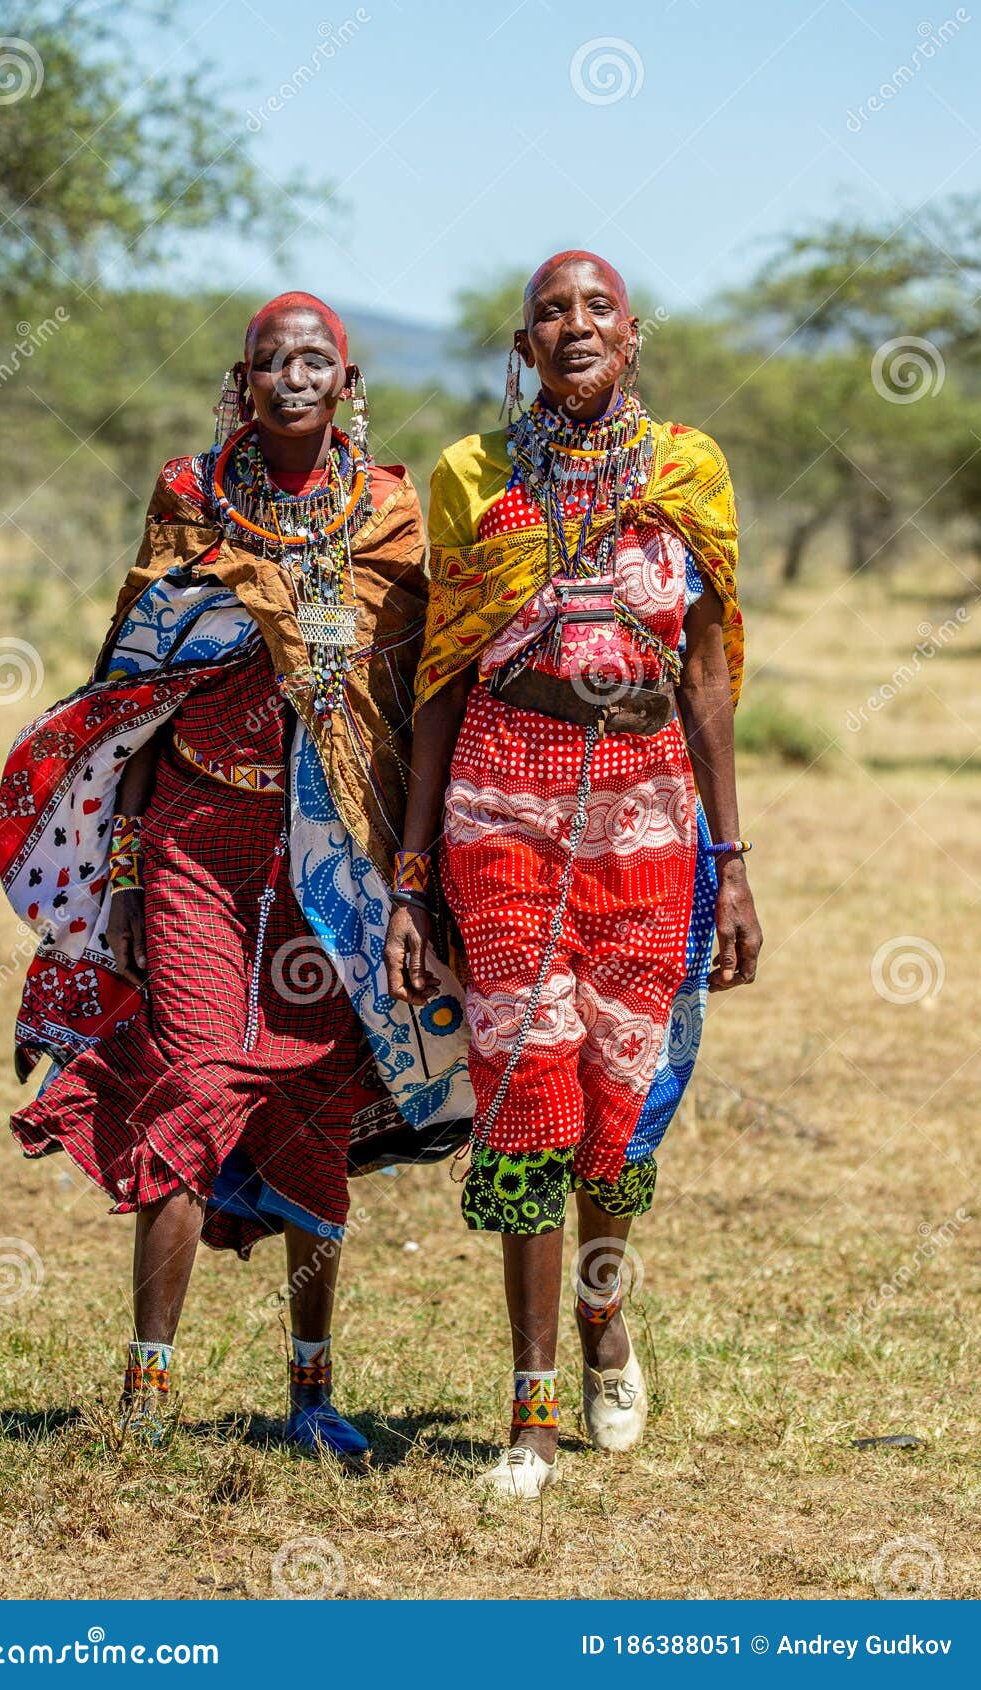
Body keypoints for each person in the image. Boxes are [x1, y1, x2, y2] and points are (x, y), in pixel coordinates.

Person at [0, 291, 470, 1456]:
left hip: (327, 855)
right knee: (197, 1078)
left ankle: (311, 1393)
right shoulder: (189, 499)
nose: (294, 376)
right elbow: (135, 693)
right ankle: (147, 1394)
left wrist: (410, 880)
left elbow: (412, 700)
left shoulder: (392, 517)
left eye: (316, 360)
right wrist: (116, 881)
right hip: (195, 840)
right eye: (272, 360)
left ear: (347, 384)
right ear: (241, 380)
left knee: (308, 1100)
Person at [385, 251, 762, 1498]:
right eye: (552, 310)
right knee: (526, 1088)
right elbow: (439, 673)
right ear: (523, 341)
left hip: (648, 804)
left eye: (596, 306)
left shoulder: (685, 470)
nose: (575, 324)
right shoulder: (470, 476)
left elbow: (704, 673)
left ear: (633, 334)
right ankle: (530, 1410)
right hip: (501, 796)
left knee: (617, 1085)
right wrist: (408, 867)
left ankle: (607, 1323)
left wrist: (731, 856)